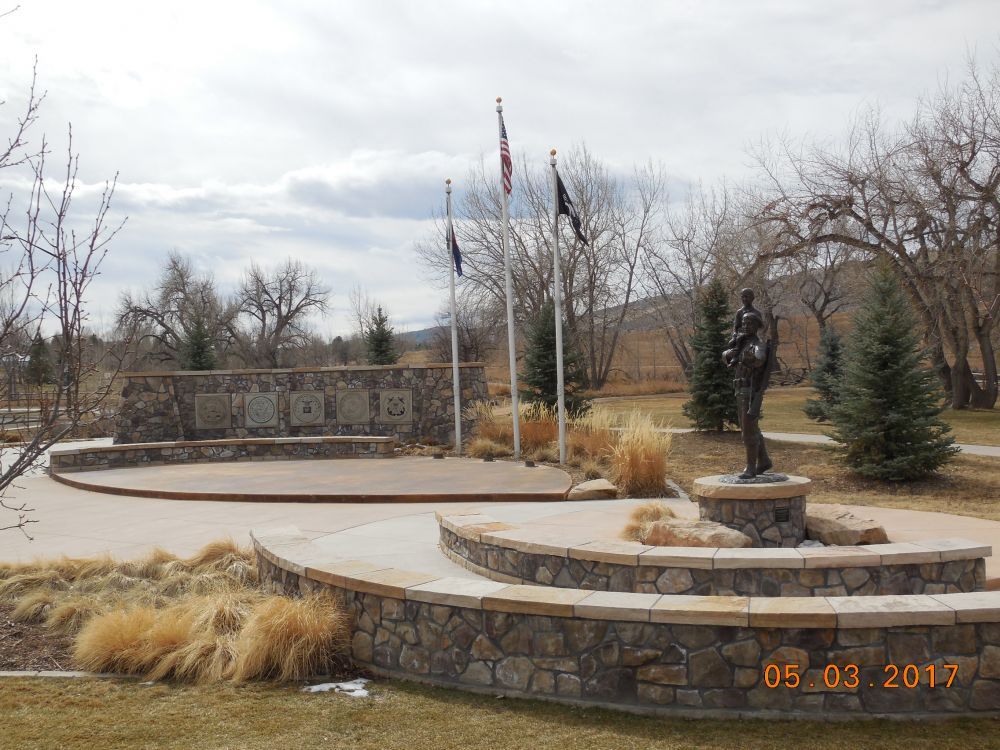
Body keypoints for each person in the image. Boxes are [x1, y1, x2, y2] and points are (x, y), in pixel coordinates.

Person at [723, 310, 773, 479]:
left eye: (749, 323)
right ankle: (764, 460)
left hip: (749, 392)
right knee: (751, 428)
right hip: (740, 390)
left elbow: (759, 358)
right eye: (743, 323)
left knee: (748, 431)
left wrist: (749, 357)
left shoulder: (757, 344)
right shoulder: (741, 342)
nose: (745, 326)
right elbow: (726, 355)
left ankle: (751, 468)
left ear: (757, 326)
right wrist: (729, 353)